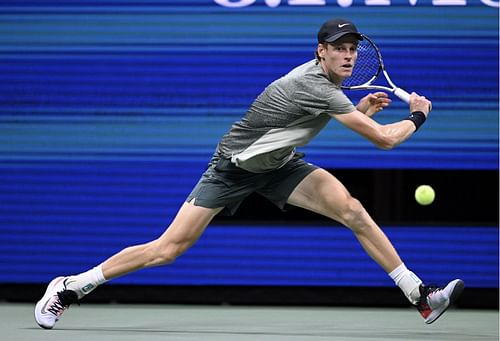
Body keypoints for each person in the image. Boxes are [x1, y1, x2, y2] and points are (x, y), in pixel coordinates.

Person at [35, 18, 464, 329]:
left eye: (353, 48)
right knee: (167, 249)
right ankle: (72, 285)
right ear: (321, 52)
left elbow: (313, 123)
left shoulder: (326, 86)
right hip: (233, 167)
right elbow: (385, 140)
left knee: (352, 210)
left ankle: (419, 294)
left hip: (280, 167)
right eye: (339, 48)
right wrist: (419, 116)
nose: (348, 55)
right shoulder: (314, 85)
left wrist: (361, 111)